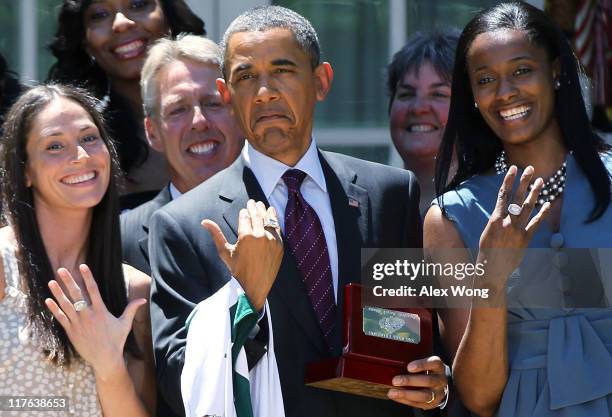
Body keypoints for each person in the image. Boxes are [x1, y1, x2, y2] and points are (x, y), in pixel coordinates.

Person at [148, 6, 448, 417]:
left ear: (321, 80)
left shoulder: (390, 194)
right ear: (226, 94)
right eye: (245, 76)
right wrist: (245, 300)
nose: (265, 91)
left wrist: (433, 381)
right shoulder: (184, 225)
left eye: (283, 69)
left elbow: (412, 336)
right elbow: (176, 381)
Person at [426, 2, 612, 417]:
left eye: (522, 70)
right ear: (472, 96)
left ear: (557, 72)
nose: (505, 91)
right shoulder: (450, 218)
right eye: (486, 79)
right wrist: (493, 276)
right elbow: (479, 397)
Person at [0, 84, 156, 416]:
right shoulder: (2, 267)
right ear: (25, 170)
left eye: (89, 138)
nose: (81, 156)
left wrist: (108, 365)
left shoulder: (134, 291)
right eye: (55, 145)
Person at [48, 0, 205, 208]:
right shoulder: (86, 143)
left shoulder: (231, 117)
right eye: (100, 14)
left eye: (138, 4)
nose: (121, 23)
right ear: (85, 42)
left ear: (169, 15)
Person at [121, 34, 244, 276]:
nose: (199, 122)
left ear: (239, 115)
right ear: (152, 131)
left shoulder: (281, 210)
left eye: (213, 103)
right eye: (178, 110)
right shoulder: (121, 239)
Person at [387, 30, 459, 213]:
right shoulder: (368, 209)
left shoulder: (492, 209)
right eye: (406, 94)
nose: (418, 107)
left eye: (438, 94)